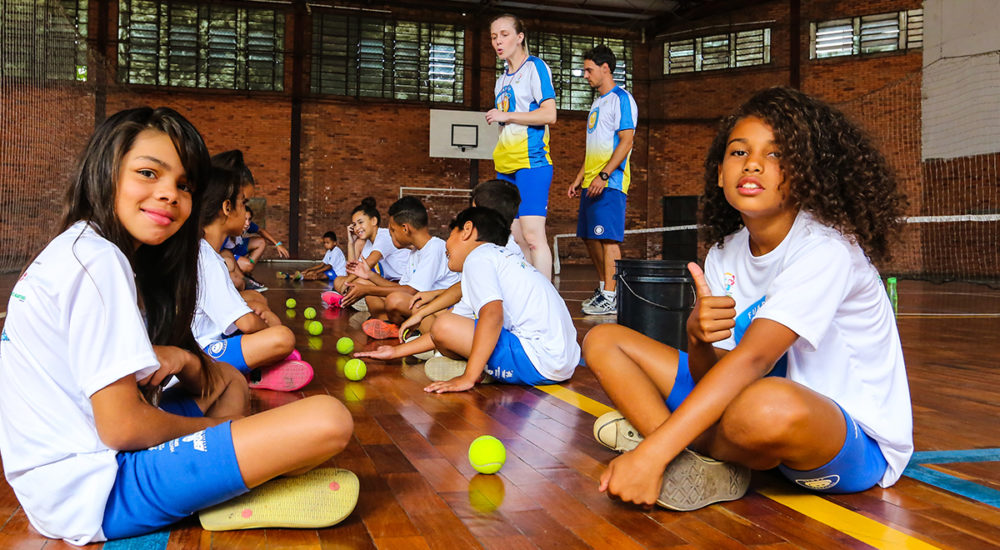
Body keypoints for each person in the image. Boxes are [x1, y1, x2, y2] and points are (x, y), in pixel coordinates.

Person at [0, 107, 355, 544]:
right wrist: (219, 435)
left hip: (79, 470)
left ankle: (222, 484)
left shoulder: (90, 247)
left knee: (229, 384)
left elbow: (214, 387)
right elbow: (123, 428)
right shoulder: (97, 259)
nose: (169, 194)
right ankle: (230, 490)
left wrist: (186, 359)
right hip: (92, 488)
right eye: (149, 173)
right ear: (104, 170)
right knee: (328, 419)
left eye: (183, 185)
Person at [583, 87, 912, 512]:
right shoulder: (726, 251)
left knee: (766, 406)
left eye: (775, 155)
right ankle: (692, 458)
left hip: (849, 441)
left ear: (805, 174)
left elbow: (752, 361)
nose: (753, 163)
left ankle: (662, 438)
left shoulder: (826, 250)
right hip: (747, 405)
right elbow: (713, 374)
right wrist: (698, 340)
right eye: (739, 152)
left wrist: (649, 455)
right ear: (720, 173)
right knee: (604, 341)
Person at [421, 207, 580, 394]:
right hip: (562, 363)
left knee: (444, 324)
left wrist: (467, 378)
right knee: (446, 324)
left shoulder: (477, 257)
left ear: (467, 230)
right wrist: (395, 352)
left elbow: (492, 315)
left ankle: (477, 370)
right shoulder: (501, 258)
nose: (447, 243)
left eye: (450, 234)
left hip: (538, 362)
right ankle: (484, 368)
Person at [196, 155, 313, 392]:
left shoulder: (207, 252)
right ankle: (253, 372)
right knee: (282, 337)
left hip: (207, 340)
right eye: (243, 203)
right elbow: (248, 323)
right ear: (227, 207)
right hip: (201, 353)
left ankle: (259, 364)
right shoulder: (207, 258)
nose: (247, 212)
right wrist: (267, 329)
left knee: (257, 303)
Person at [567, 44, 638, 316]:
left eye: (589, 69)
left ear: (605, 68)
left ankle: (613, 294)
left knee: (608, 238)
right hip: (591, 183)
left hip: (610, 184)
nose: (585, 75)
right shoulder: (597, 103)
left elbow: (627, 141)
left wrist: (605, 175)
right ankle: (603, 288)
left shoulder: (622, 98)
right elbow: (594, 147)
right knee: (588, 237)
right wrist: (579, 178)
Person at [487, 13, 557, 279]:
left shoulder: (535, 67)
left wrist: (507, 115)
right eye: (494, 37)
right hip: (506, 165)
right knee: (515, 238)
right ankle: (530, 295)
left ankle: (546, 301)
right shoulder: (501, 80)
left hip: (532, 163)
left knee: (533, 235)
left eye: (504, 35)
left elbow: (549, 115)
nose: (498, 42)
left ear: (520, 37)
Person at [345, 196, 460, 340]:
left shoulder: (434, 248)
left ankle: (403, 329)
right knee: (372, 294)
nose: (390, 235)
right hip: (418, 306)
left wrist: (368, 288)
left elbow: (410, 292)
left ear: (405, 228)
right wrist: (370, 276)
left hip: (442, 313)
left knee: (395, 300)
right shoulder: (414, 253)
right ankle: (395, 327)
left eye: (392, 230)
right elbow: (401, 287)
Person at [333, 197, 410, 309]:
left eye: (360, 222)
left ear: (374, 221)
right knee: (338, 279)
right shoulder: (368, 244)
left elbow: (367, 265)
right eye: (354, 225)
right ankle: (352, 297)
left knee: (359, 282)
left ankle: (349, 298)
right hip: (389, 283)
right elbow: (353, 271)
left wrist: (345, 285)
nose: (357, 228)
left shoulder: (383, 236)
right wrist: (351, 242)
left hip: (403, 287)